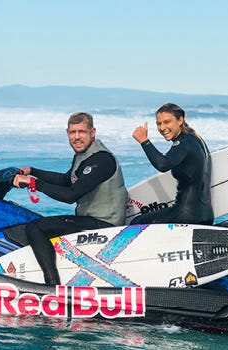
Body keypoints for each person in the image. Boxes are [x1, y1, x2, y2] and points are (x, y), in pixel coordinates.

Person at [13, 112, 128, 286]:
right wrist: (32, 170)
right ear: (67, 133)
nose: (76, 137)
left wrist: (33, 184)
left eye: (81, 132)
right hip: (91, 219)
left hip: (105, 223)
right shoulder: (84, 155)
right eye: (72, 132)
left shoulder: (101, 160)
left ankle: (52, 285)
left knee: (35, 227)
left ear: (92, 132)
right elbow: (66, 181)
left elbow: (70, 195)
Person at [131, 103, 214, 225]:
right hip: (205, 214)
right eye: (159, 124)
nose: (162, 127)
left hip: (186, 215)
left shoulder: (184, 143)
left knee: (137, 222)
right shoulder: (195, 140)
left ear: (180, 119)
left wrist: (144, 141)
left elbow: (163, 164)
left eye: (167, 122)